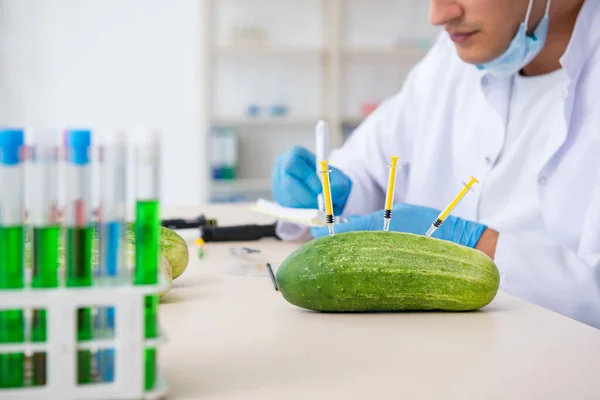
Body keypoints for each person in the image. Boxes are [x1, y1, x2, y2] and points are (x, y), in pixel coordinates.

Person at [270, 0, 600, 329]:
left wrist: (473, 244)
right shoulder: (454, 53)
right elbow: (371, 162)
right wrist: (334, 187)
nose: (439, 15)